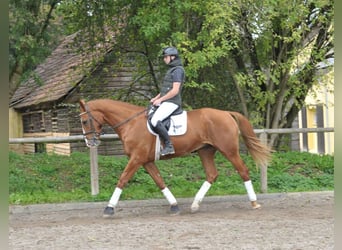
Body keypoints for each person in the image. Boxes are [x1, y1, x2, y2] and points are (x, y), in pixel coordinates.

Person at [150, 46, 185, 156]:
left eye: (166, 57)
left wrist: (160, 100)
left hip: (173, 102)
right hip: (167, 100)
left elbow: (174, 91)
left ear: (172, 57)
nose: (164, 59)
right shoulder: (171, 70)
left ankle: (169, 146)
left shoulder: (178, 71)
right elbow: (166, 89)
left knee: (155, 120)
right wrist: (156, 98)